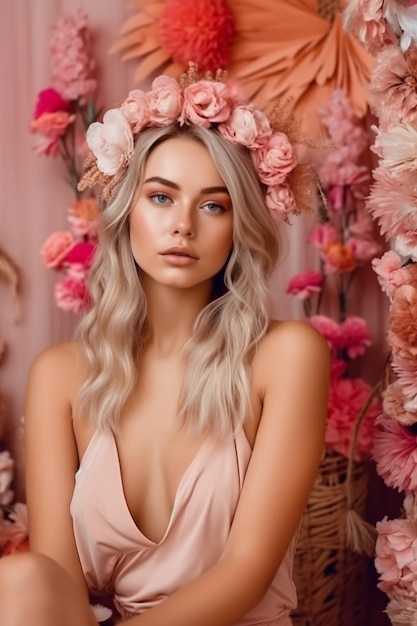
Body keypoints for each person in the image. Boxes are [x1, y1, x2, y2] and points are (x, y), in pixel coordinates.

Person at [0, 64, 330, 626]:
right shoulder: (60, 375)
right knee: (22, 579)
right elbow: (58, 580)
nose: (183, 226)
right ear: (127, 211)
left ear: (237, 226)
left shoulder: (288, 356)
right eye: (160, 198)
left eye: (212, 205)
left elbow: (246, 570)